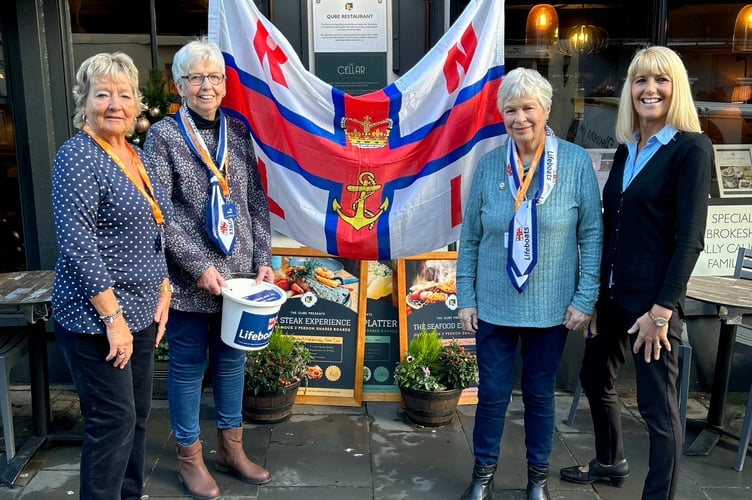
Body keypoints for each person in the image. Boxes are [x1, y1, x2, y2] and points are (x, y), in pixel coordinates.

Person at [559, 46, 713, 500]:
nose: (650, 90)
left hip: (653, 304)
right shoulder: (629, 149)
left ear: (676, 88)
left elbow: (690, 239)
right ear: (630, 90)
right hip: (613, 294)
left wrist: (662, 311)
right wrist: (592, 298)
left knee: (658, 411)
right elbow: (613, 225)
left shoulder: (690, 148)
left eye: (661, 80)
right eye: (641, 81)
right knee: (593, 376)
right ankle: (610, 461)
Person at [456, 67, 603, 500]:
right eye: (510, 110)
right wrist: (466, 295)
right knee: (493, 395)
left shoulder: (575, 163)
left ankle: (537, 479)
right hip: (495, 304)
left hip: (552, 307)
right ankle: (482, 475)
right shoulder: (487, 167)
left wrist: (585, 296)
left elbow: (592, 234)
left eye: (527, 108)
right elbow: (471, 236)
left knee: (540, 396)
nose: (519, 118)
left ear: (546, 110)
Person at [143, 36, 274, 499]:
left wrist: (264, 261)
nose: (206, 86)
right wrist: (196, 264)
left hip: (238, 279)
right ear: (180, 84)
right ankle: (189, 458)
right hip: (187, 281)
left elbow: (255, 201)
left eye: (214, 77)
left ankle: (231, 450)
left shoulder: (237, 130)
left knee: (232, 364)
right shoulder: (162, 136)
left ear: (223, 84)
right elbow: (161, 210)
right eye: (196, 77)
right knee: (185, 369)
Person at [51, 52, 172, 499]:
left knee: (137, 413)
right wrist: (113, 318)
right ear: (84, 102)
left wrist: (163, 286)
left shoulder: (133, 154)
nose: (114, 104)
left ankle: (128, 494)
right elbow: (78, 245)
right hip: (96, 319)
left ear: (137, 102)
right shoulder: (77, 156)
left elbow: (154, 225)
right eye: (103, 94)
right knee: (112, 420)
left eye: (124, 94)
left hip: (141, 310)